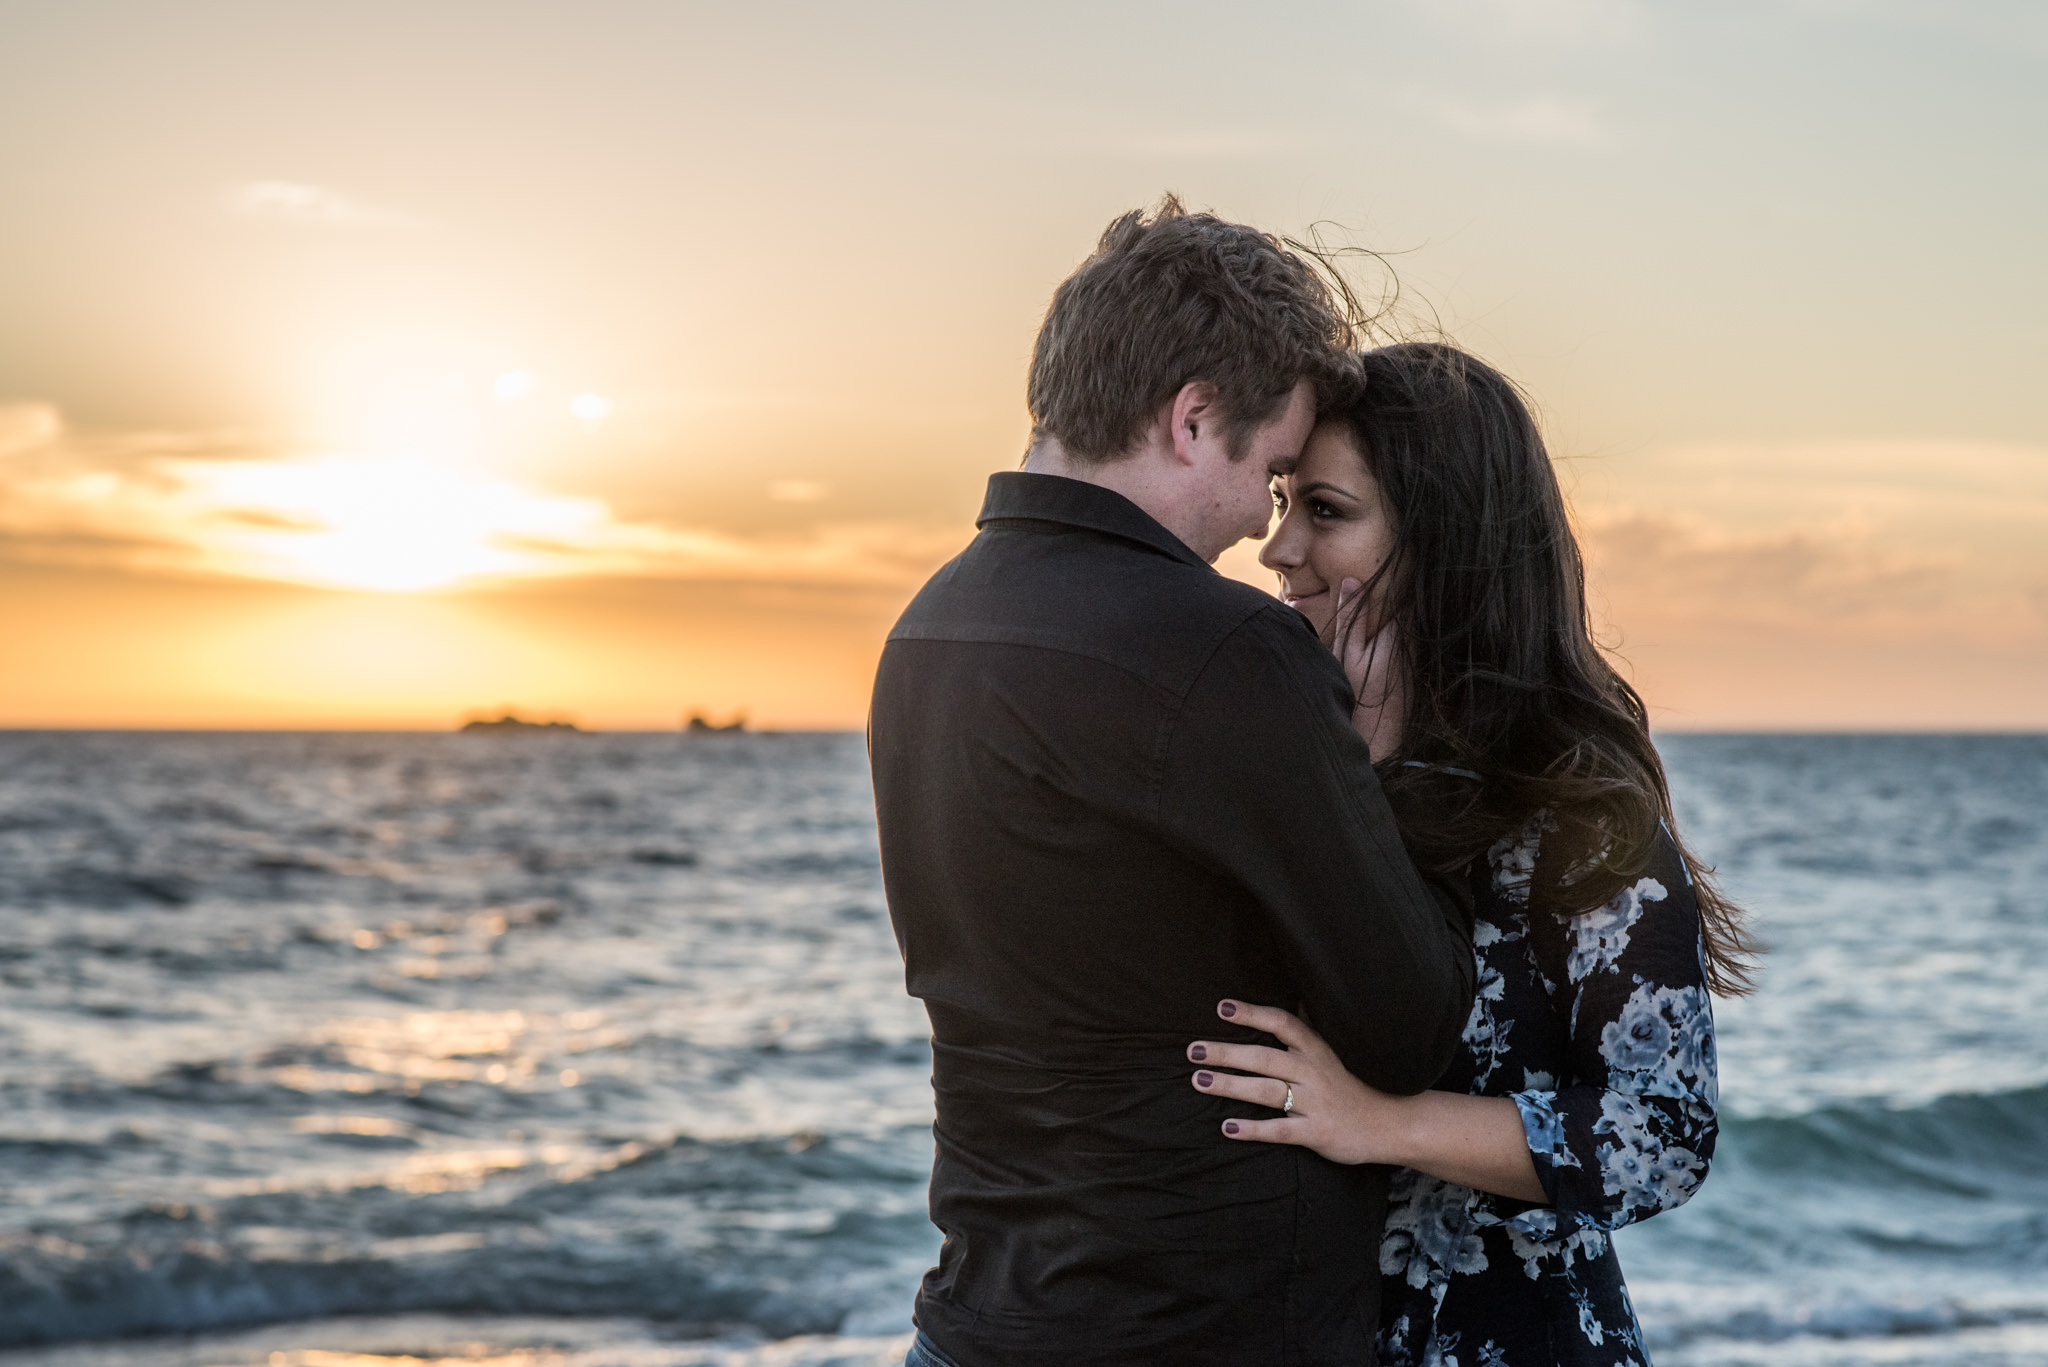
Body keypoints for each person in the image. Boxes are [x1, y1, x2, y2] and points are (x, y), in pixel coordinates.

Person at [868, 201, 1477, 1367]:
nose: (1264, 525)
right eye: (1272, 467)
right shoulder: (1225, 650)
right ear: (1193, 417)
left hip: (976, 1318)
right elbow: (1410, 1022)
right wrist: (1376, 737)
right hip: (1199, 1325)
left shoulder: (928, 628)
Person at [1186, 343, 1757, 1367]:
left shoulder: (1567, 800)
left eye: (1323, 510)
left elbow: (1659, 1136)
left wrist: (1383, 1121)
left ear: (1438, 540)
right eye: (1281, 503)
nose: (1275, 548)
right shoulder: (1281, 760)